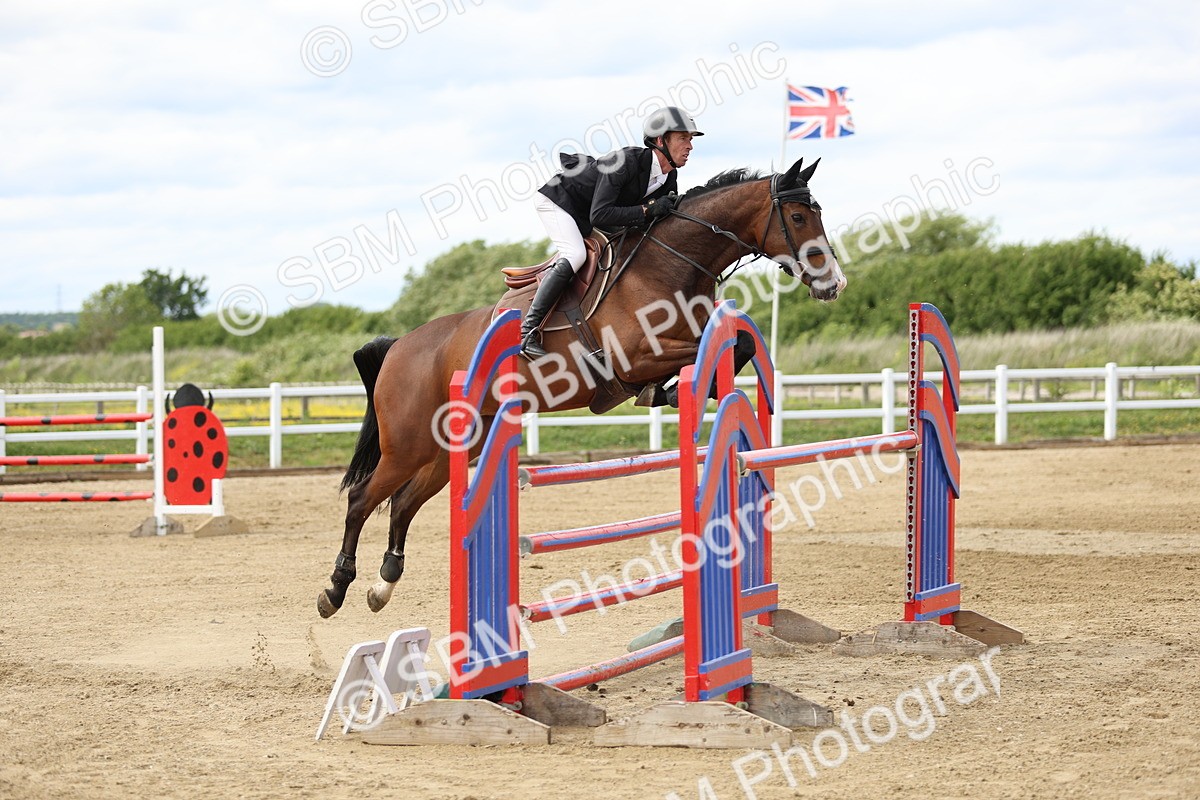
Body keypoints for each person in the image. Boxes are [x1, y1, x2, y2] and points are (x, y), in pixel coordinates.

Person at [520, 106, 703, 360]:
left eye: (691, 139)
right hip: (561, 201)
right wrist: (648, 210)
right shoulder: (626, 162)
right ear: (661, 140)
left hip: (592, 212)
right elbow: (601, 215)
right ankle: (527, 331)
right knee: (575, 255)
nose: (690, 146)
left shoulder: (668, 178)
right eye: (684, 138)